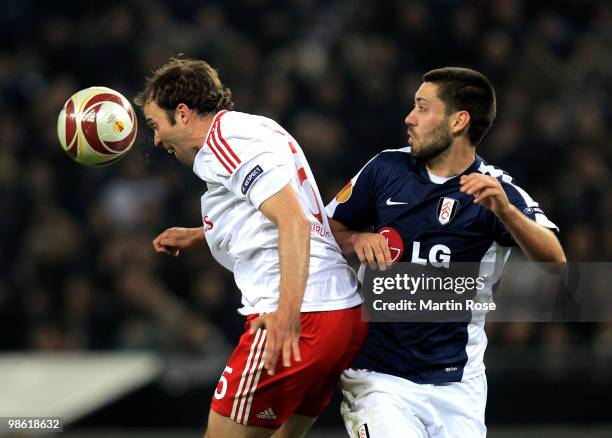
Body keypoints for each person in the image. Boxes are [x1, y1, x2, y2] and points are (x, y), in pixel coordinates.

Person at [325, 67, 566, 437]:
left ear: (458, 121)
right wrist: (356, 240)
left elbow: (555, 262)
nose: (409, 117)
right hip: (378, 378)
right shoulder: (385, 168)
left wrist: (505, 212)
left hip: (458, 384)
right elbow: (328, 231)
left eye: (422, 107)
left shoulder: (495, 192)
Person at [135, 58, 367, 438]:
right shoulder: (252, 127)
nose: (157, 139)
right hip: (338, 314)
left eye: (155, 125)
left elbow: (293, 220)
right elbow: (267, 211)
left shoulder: (224, 143)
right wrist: (200, 234)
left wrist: (287, 316)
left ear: (182, 113)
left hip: (299, 315)